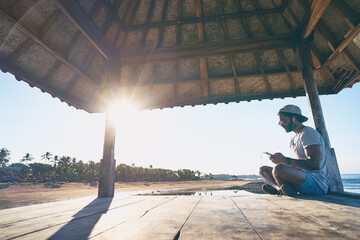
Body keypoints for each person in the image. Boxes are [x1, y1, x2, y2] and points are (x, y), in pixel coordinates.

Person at [259, 104, 329, 196]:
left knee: (279, 168)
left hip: (316, 184)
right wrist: (280, 160)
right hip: (300, 178)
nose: (282, 124)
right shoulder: (293, 139)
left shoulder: (308, 133)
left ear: (294, 118)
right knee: (263, 170)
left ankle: (283, 189)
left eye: (284, 121)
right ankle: (279, 189)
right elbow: (295, 165)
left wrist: (284, 160)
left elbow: (314, 164)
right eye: (280, 122)